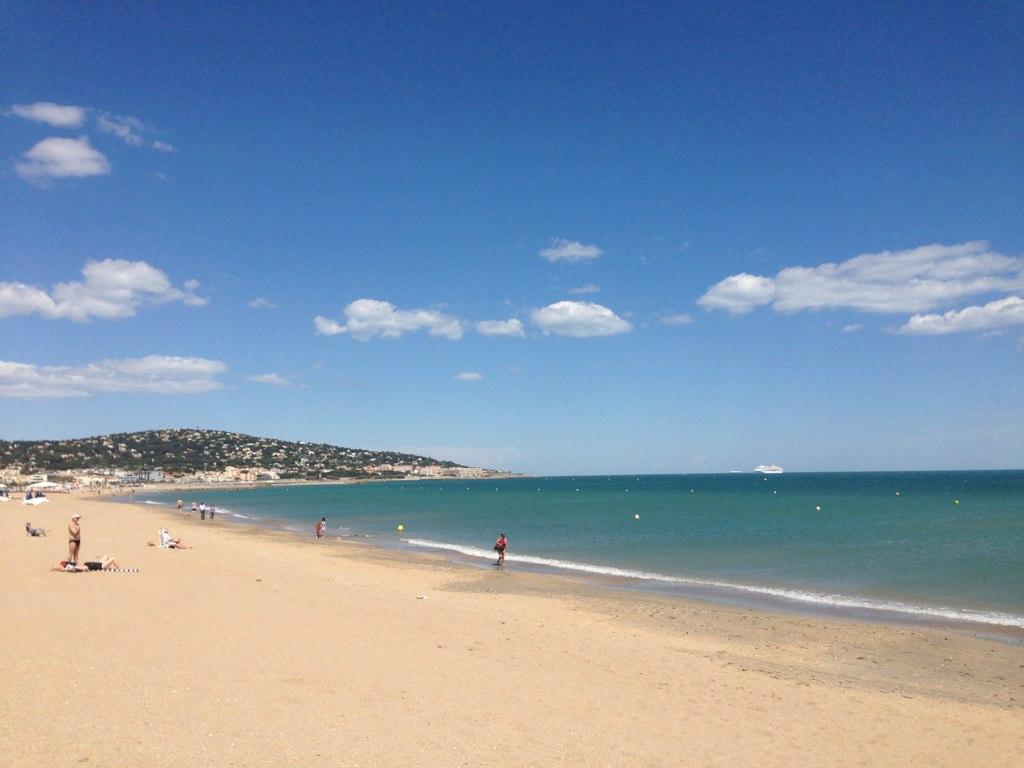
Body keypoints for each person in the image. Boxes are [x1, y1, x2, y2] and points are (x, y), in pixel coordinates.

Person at [53, 555, 122, 572]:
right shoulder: (83, 567)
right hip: (101, 566)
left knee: (106, 556)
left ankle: (113, 567)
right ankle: (119, 569)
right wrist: (55, 569)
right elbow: (68, 569)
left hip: (98, 563)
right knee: (113, 558)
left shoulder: (82, 565)